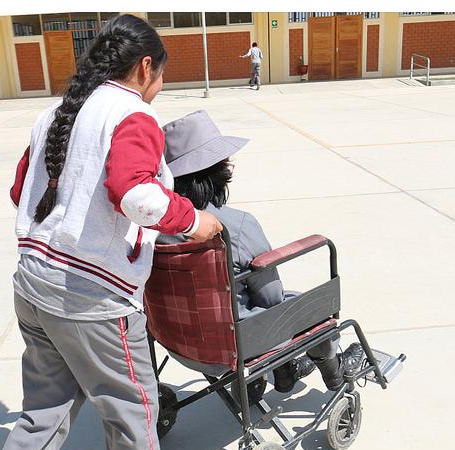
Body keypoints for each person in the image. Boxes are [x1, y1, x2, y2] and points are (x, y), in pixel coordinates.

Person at [0, 15, 223, 450]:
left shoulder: (54, 114)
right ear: (145, 66)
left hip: (34, 283)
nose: (159, 89)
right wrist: (196, 221)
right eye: (161, 77)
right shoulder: (130, 116)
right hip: (92, 298)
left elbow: (22, 192)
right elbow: (135, 194)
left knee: (45, 409)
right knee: (132, 400)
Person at [156, 110, 366, 401]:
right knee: (309, 304)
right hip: (236, 345)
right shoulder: (236, 225)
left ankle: (284, 371)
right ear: (220, 172)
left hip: (179, 342)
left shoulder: (149, 229)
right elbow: (270, 298)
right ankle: (336, 370)